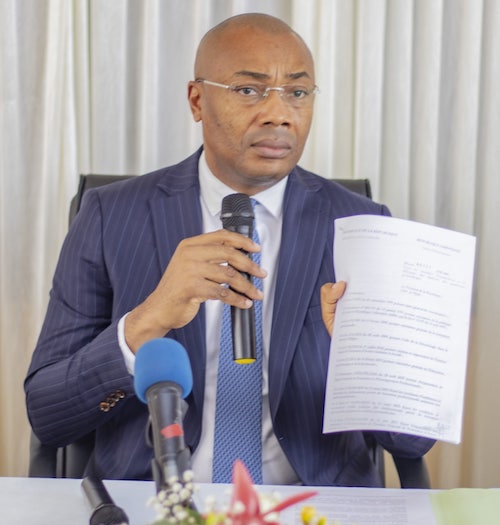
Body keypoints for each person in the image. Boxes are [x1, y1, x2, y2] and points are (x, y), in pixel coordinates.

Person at [25, 13, 434, 486]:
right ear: (197, 100)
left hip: (311, 506)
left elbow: (411, 444)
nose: (279, 113)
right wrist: (145, 322)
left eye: (298, 92)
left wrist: (362, 356)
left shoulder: (362, 226)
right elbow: (48, 416)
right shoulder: (109, 215)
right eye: (249, 90)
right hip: (156, 501)